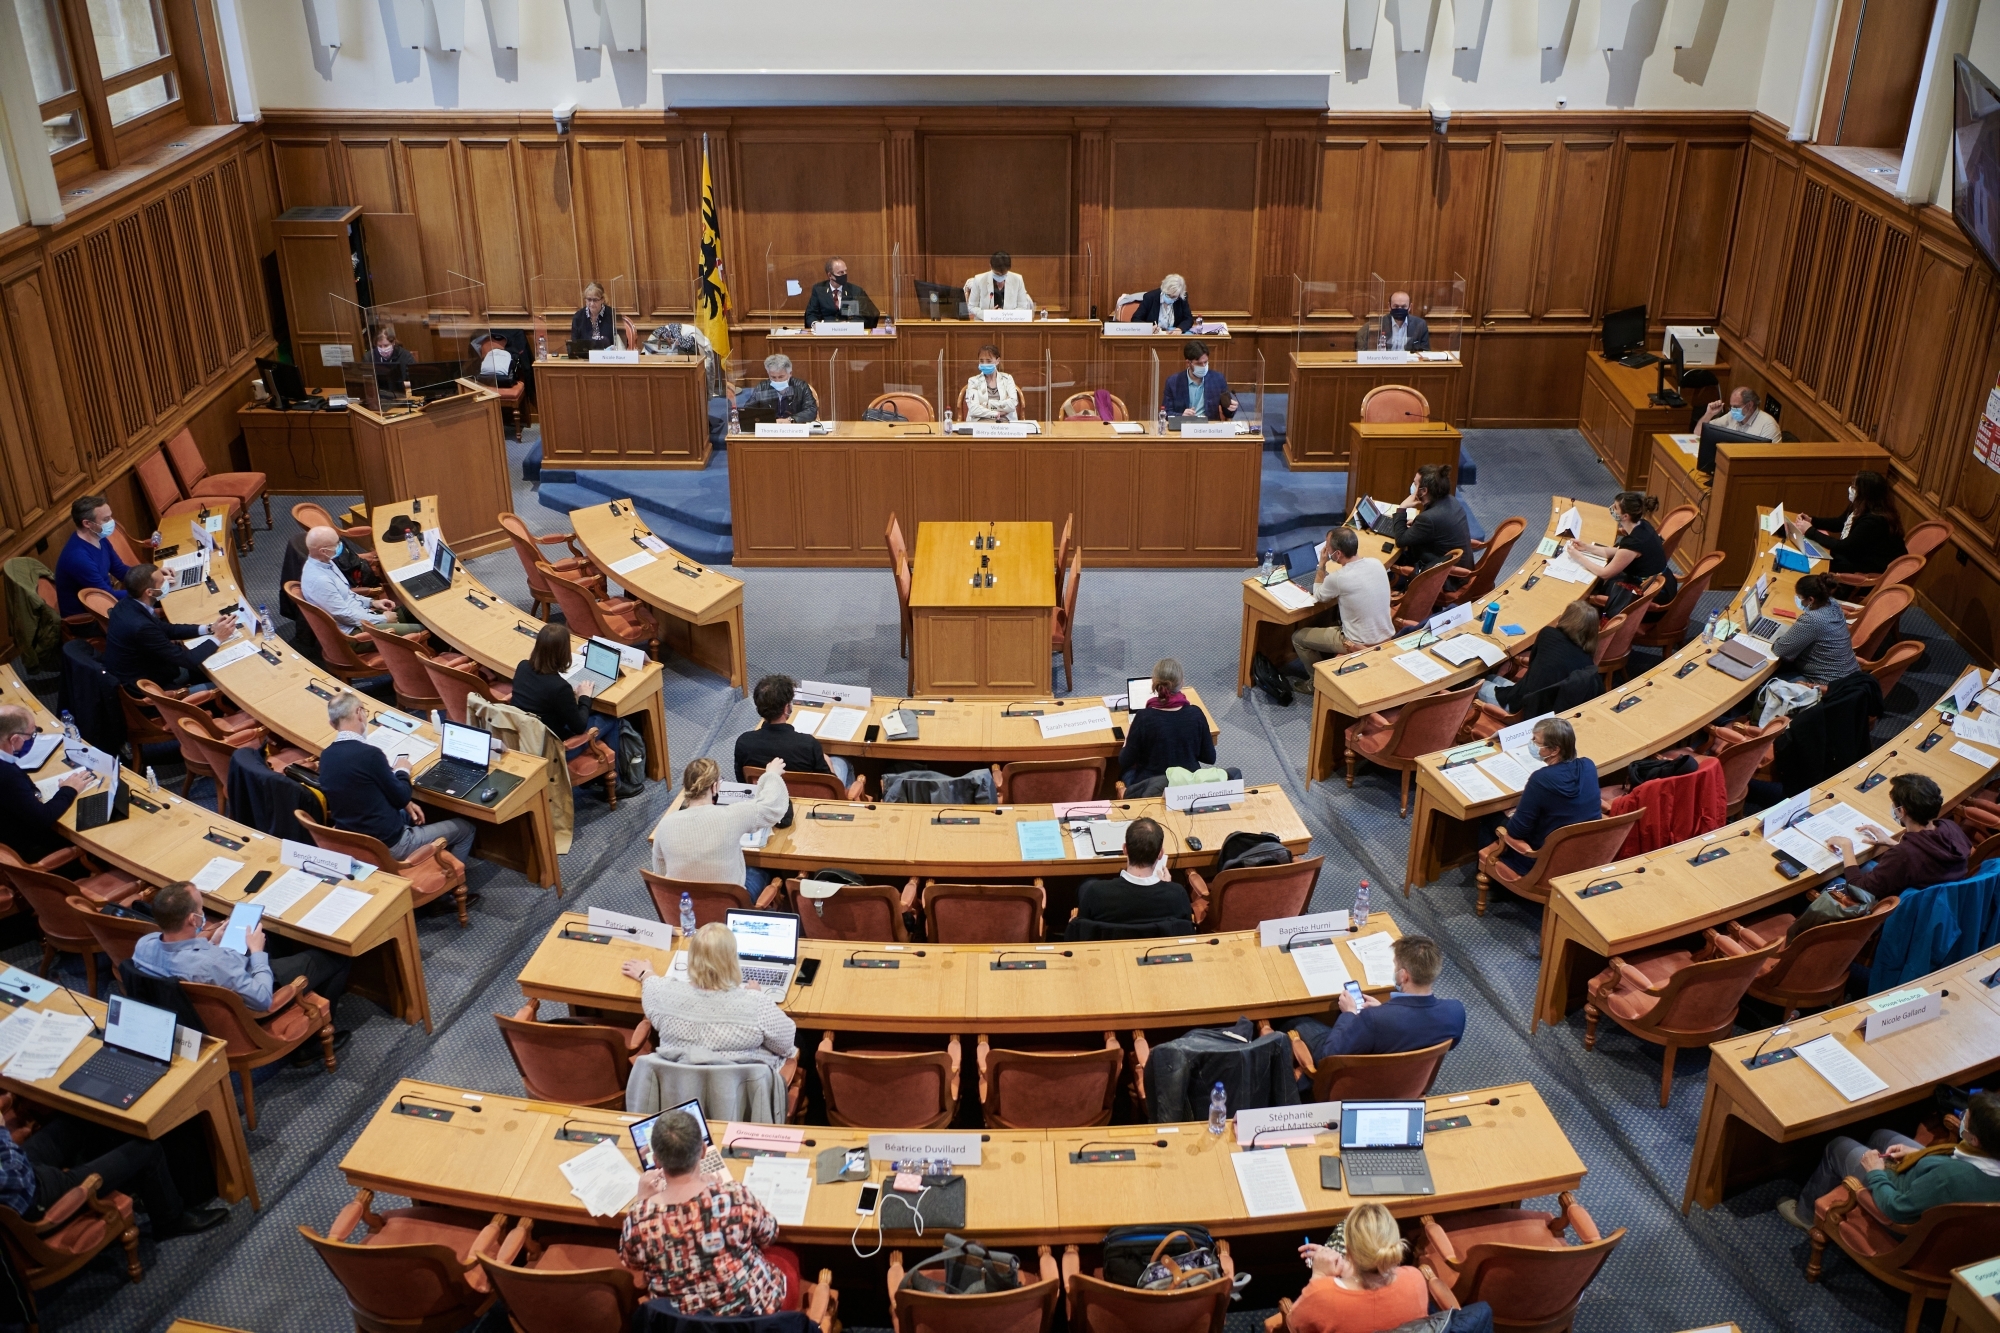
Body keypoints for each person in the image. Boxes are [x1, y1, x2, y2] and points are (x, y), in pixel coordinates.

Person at [617, 1108, 801, 1315]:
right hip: (751, 1320)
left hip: (680, 1326)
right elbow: (769, 1235)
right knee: (788, 1258)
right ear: (703, 1151)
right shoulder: (735, 1196)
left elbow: (632, 1263)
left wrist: (642, 1200)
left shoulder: (639, 1218)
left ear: (657, 1161)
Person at [134, 880, 354, 1026]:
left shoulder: (144, 945)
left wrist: (213, 941)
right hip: (250, 1004)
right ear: (193, 919)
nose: (202, 912)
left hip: (196, 1008)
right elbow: (262, 1000)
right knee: (337, 954)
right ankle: (313, 1042)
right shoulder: (216, 963)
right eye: (201, 908)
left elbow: (189, 962)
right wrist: (257, 951)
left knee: (272, 935)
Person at [1778, 1090, 2000, 1230]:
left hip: (1898, 1193)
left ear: (1975, 1139)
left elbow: (1897, 1209)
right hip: (1928, 1175)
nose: (1960, 1118)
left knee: (1838, 1146)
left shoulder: (1949, 1179)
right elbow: (1958, 1158)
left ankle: (1805, 1215)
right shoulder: (1989, 1151)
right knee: (1882, 1136)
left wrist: (1876, 1172)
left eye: (1965, 1119)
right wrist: (1917, 1155)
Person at [0, 1107, 228, 1239]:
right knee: (146, 1149)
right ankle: (170, 1220)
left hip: (20, 1169)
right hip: (31, 1195)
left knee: (78, 1118)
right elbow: (15, 1177)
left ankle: (125, 1181)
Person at [315, 691, 477, 866]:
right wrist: (402, 770)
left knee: (409, 811)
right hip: (390, 844)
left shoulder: (326, 756)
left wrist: (405, 803)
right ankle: (452, 883)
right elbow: (401, 796)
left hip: (354, 839)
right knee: (465, 828)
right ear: (359, 712)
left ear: (332, 724)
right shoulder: (369, 755)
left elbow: (366, 789)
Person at [620, 923, 799, 1079]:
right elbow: (786, 1046)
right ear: (732, 961)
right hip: (741, 1098)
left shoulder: (663, 995)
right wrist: (755, 996)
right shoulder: (756, 1004)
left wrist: (645, 973)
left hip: (681, 1093)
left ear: (691, 958)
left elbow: (651, 985)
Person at [1285, 935, 1466, 1080]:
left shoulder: (1372, 1019)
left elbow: (1328, 1057)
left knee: (1297, 1021)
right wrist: (1384, 1009)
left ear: (1403, 976)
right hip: (1410, 1083)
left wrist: (1349, 1014)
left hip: (1362, 1085)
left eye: (1395, 965)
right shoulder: (1455, 1012)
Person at [511, 623, 640, 799]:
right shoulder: (559, 688)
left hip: (528, 738)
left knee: (593, 714)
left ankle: (598, 779)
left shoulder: (523, 666)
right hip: (555, 748)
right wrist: (585, 697)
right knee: (611, 718)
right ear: (563, 653)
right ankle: (614, 784)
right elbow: (579, 727)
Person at [649, 757, 788, 890]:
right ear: (715, 787)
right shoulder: (732, 815)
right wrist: (771, 775)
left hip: (685, 905)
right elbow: (771, 807)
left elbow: (661, 874)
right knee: (765, 870)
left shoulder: (665, 825)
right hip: (730, 903)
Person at [1290, 1202, 1429, 1333]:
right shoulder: (1415, 1278)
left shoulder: (1322, 1294)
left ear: (1348, 1250)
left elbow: (1293, 1323)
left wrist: (1319, 1275)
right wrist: (1347, 1269)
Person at [1484, 717, 1599, 875]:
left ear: (1554, 750)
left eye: (1536, 741)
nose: (1531, 743)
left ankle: (1498, 882)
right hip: (1585, 852)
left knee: (1489, 816)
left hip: (1542, 858)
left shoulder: (1541, 779)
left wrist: (1512, 814)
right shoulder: (1588, 765)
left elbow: (1517, 831)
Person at [1826, 773, 1971, 895]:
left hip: (1902, 909)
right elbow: (1926, 856)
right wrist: (1891, 843)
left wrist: (1846, 847)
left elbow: (1858, 888)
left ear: (1902, 811)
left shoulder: (1902, 856)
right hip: (1940, 899)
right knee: (1867, 865)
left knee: (1831, 883)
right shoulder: (1951, 827)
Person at [1290, 527, 1396, 692]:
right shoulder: (1376, 564)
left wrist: (1322, 564)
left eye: (1328, 548)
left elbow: (1318, 595)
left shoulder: (1338, 578)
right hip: (1386, 634)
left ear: (1337, 554)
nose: (1326, 551)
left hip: (1356, 643)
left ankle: (1314, 684)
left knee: (1298, 637)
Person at [102, 564, 237, 690]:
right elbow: (188, 659)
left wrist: (209, 628)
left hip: (147, 669)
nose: (167, 582)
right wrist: (218, 637)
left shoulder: (126, 604)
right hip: (153, 687)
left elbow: (166, 629)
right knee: (228, 685)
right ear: (149, 592)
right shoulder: (140, 627)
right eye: (162, 582)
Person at [733, 674, 862, 798]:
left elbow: (743, 781)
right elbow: (830, 787)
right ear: (786, 708)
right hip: (808, 800)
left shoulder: (744, 742)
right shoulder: (808, 744)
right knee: (841, 763)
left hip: (765, 798)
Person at [1068, 817, 1195, 939]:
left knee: (1086, 884)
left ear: (1125, 849)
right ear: (1160, 854)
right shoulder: (1177, 893)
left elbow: (1083, 928)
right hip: (1159, 955)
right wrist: (1168, 888)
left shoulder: (1096, 891)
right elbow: (1184, 930)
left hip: (1109, 955)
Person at [0, 705, 91, 863]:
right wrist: (69, 789)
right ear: (14, 739)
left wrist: (32, 794)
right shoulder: (7, 775)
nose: (33, 739)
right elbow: (43, 818)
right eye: (31, 734)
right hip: (30, 850)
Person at [1563, 491, 1678, 615]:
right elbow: (1618, 552)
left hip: (1650, 597)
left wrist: (1578, 557)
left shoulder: (1633, 543)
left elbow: (1605, 573)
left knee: (1603, 583)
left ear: (1625, 516)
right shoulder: (1643, 525)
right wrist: (1586, 547)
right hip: (1662, 583)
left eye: (1616, 507)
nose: (1612, 508)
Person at [300, 526, 423, 636]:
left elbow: (347, 594)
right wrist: (383, 619)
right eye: (336, 544)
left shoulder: (327, 562)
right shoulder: (319, 580)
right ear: (323, 551)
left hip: (364, 614)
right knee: (420, 629)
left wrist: (371, 603)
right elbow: (344, 615)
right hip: (356, 630)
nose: (340, 546)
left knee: (416, 611)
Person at [1478, 601, 1600, 711]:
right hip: (1546, 708)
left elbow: (1533, 664)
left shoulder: (1549, 634)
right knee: (1492, 677)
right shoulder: (1587, 660)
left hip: (1523, 706)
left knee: (1475, 684)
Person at [1119, 658, 1216, 796]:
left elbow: (1124, 760)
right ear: (1182, 683)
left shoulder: (1144, 718)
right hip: (1187, 786)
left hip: (1151, 787)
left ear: (1154, 683)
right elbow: (1209, 757)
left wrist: (1128, 739)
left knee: (1124, 772)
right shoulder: (1196, 714)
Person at [1790, 469, 1907, 577]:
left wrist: (1810, 531)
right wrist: (1812, 521)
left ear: (1865, 494)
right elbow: (1840, 523)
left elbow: (1844, 547)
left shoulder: (1874, 521)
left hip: (1866, 567)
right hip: (1854, 555)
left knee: (1815, 567)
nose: (1851, 489)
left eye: (1854, 487)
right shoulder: (1860, 505)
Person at [1770, 574, 1859, 686]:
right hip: (1849, 677)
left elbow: (1780, 650)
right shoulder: (1833, 604)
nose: (1799, 601)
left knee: (1766, 684)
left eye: (1800, 597)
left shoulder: (1813, 619)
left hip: (1826, 684)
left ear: (1811, 599)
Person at [53, 494, 129, 619]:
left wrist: (151, 577)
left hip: (106, 604)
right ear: (87, 523)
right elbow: (106, 597)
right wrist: (146, 590)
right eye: (106, 519)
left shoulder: (99, 538)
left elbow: (121, 570)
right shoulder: (78, 558)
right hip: (90, 619)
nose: (111, 522)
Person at [1389, 464, 1473, 574]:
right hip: (1457, 565)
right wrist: (1417, 524)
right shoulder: (1450, 500)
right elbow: (1437, 527)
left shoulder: (1429, 518)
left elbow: (1401, 541)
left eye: (1415, 484)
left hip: (1447, 577)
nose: (1412, 486)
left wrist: (1402, 508)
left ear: (1424, 491)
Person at [1161, 339, 1238, 421]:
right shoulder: (1173, 382)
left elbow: (1227, 412)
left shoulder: (1218, 379)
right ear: (1188, 363)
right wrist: (1181, 416)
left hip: (1209, 428)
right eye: (1199, 364)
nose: (1203, 366)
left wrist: (1231, 409)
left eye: (1206, 362)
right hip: (1183, 426)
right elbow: (1166, 412)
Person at [737, 354, 819, 424]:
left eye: (781, 377)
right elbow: (748, 411)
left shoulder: (801, 386)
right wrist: (769, 421)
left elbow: (811, 410)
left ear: (790, 373)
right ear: (768, 374)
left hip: (794, 429)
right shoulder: (762, 387)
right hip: (769, 430)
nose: (777, 380)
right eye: (773, 377)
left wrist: (791, 420)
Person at [802, 257, 874, 328]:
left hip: (848, 333)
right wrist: (816, 325)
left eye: (846, 271)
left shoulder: (855, 290)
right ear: (830, 275)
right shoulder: (819, 290)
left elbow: (864, 315)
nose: (845, 274)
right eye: (841, 272)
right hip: (825, 333)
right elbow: (811, 314)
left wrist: (848, 324)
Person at [1699, 386, 1780, 441]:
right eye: (1731, 406)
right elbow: (1699, 433)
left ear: (1750, 405)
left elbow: (1770, 461)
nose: (1733, 410)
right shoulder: (1731, 416)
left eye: (1736, 407)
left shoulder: (1768, 425)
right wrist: (1709, 414)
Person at [963, 345, 1021, 422]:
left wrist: (987, 405)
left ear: (997, 361)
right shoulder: (973, 381)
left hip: (1005, 422)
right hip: (980, 422)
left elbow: (1012, 405)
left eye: (988, 361)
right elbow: (974, 409)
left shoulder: (1007, 379)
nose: (984, 364)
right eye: (981, 361)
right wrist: (996, 413)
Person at [964, 251, 1033, 312]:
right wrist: (989, 314)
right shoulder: (979, 279)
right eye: (997, 274)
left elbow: (1023, 307)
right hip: (985, 323)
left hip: (1010, 322)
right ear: (990, 266)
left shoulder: (1017, 279)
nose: (1000, 276)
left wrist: (1004, 314)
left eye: (1004, 274)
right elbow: (972, 306)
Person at [570, 281, 617, 348]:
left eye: (595, 300)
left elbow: (619, 343)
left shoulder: (612, 315)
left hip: (608, 356)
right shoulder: (578, 317)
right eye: (589, 299)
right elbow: (574, 344)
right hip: (585, 357)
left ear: (602, 299)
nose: (592, 304)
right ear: (585, 300)